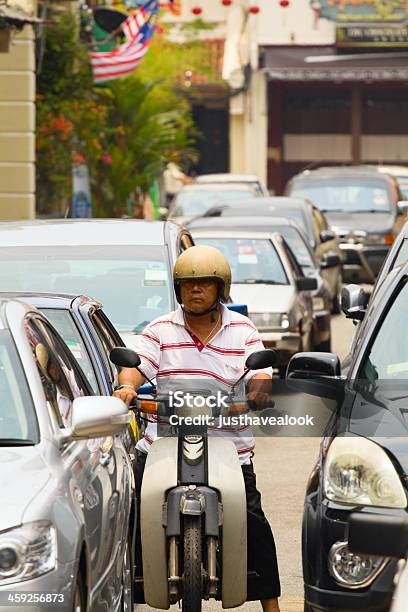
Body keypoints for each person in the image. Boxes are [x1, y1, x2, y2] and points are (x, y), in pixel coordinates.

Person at [113, 245, 281, 612]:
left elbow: (259, 372)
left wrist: (259, 391)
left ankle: (271, 605)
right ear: (177, 289)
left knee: (253, 522)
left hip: (229, 447)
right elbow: (136, 364)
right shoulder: (159, 329)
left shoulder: (242, 330)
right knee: (129, 515)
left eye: (205, 282)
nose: (196, 290)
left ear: (221, 288)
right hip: (162, 443)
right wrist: (127, 386)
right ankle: (125, 596)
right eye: (188, 284)